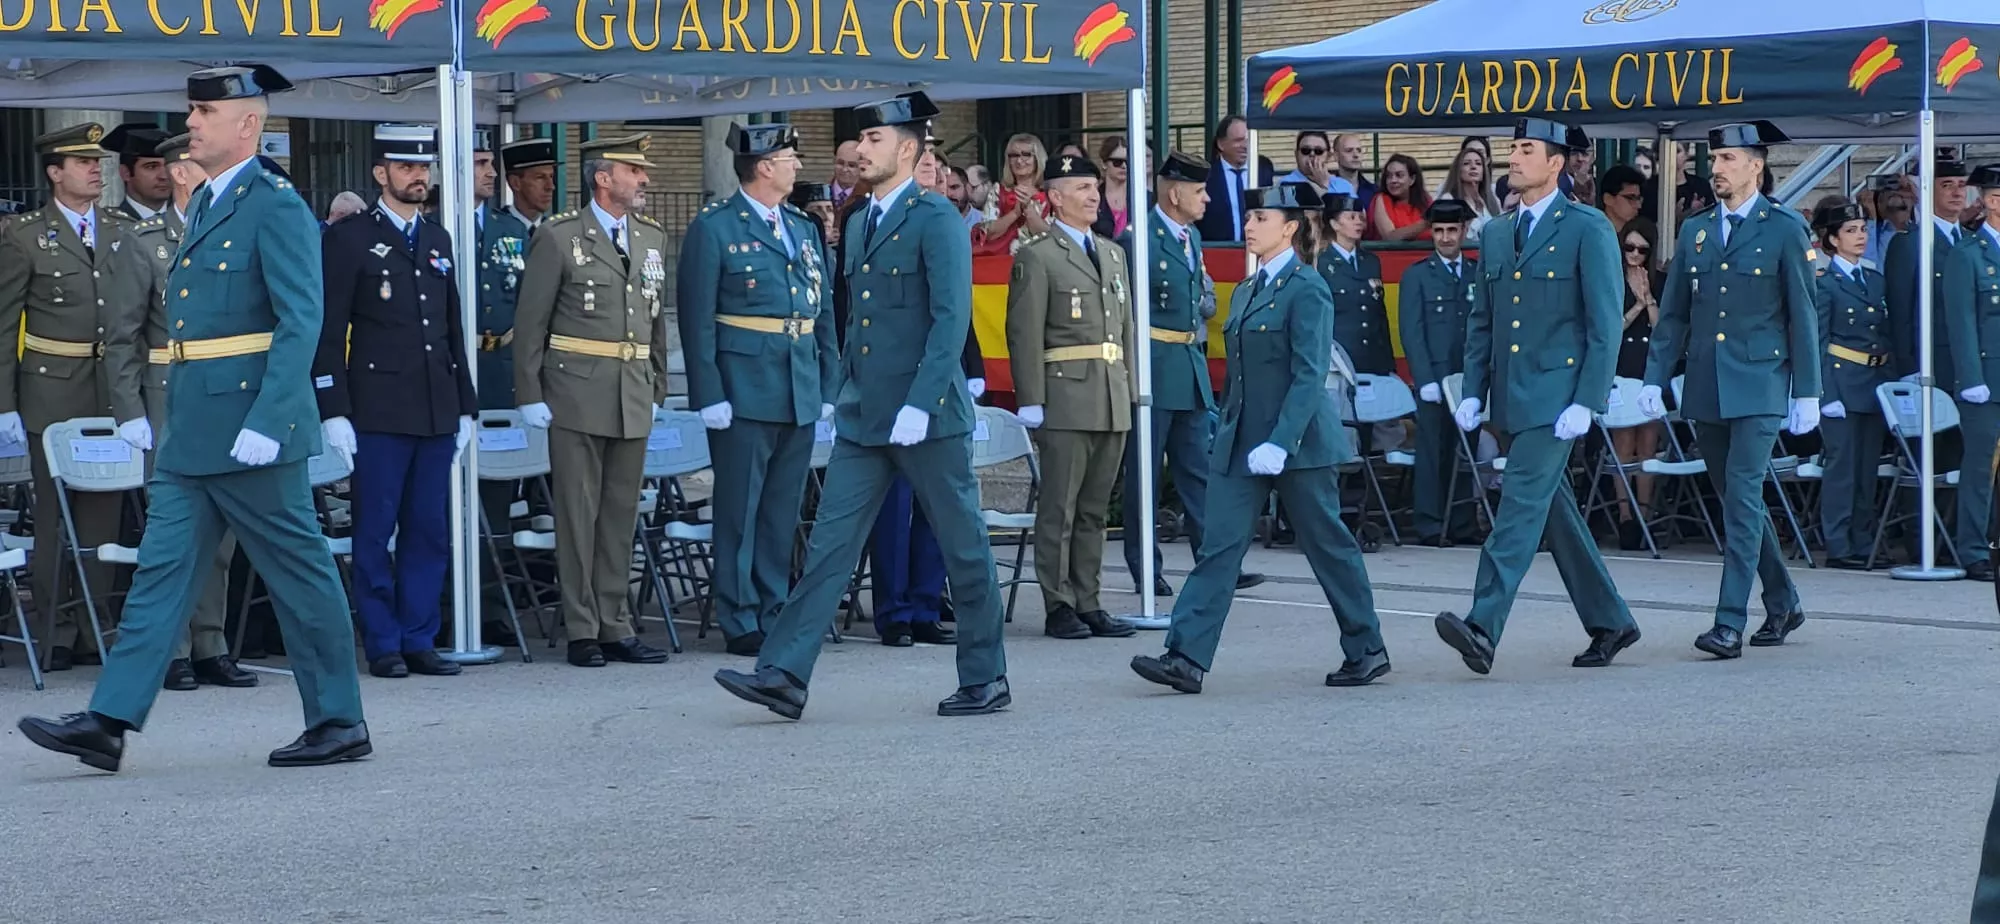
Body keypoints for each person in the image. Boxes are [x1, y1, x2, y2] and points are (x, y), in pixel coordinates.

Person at [17, 64, 370, 771]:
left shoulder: (273, 203)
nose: (193, 124)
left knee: (300, 574)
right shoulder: (208, 202)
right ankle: (109, 719)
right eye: (193, 110)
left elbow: (303, 318)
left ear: (248, 125)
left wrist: (270, 417)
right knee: (160, 573)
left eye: (205, 112)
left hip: (251, 428)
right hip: (194, 424)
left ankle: (338, 718)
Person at [713, 90, 1010, 719]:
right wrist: (841, 391)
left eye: (874, 141)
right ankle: (785, 673)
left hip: (924, 417)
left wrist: (922, 402)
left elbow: (950, 319)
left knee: (963, 546)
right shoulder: (860, 219)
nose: (860, 149)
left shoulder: (933, 218)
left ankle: (986, 675)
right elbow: (857, 320)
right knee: (829, 547)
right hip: (865, 414)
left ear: (907, 148)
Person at [1128, 182, 1389, 694]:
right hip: (1244, 442)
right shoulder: (1248, 290)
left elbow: (1309, 374)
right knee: (1219, 548)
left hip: (1299, 444)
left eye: (1261, 218)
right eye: (1249, 218)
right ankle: (1185, 656)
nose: (1249, 226)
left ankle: (1367, 647)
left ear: (1290, 227)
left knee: (1329, 547)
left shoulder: (1307, 287)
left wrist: (1282, 440)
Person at [1436, 117, 1642, 675]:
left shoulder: (1587, 226)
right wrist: (1475, 390)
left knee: (1519, 508)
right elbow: (1485, 320)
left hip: (1558, 397)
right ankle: (1611, 620)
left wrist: (1588, 398)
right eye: (1514, 147)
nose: (1515, 156)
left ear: (1555, 164)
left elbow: (1605, 323)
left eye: (1527, 149)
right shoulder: (1499, 232)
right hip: (1511, 395)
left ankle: (1483, 625)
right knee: (1554, 512)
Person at [1639, 120, 1816, 658]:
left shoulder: (1784, 228)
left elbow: (1803, 314)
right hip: (1707, 383)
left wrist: (1807, 390)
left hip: (1761, 382)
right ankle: (1783, 599)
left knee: (1742, 497)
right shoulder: (1695, 230)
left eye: (1728, 160)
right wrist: (1654, 377)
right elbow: (1673, 315)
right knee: (1737, 500)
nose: (1716, 169)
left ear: (1756, 167)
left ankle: (1729, 622)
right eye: (1714, 160)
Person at [313, 124, 477, 679]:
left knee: (428, 529)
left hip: (434, 406)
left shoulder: (437, 239)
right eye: (406, 169)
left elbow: (451, 326)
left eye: (423, 169)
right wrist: (332, 407)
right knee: (375, 530)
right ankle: (382, 639)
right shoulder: (349, 237)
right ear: (381, 174)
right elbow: (328, 329)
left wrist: (466, 404)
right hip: (378, 409)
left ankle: (418, 634)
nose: (418, 178)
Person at [676, 123, 837, 657]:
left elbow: (823, 312)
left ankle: (773, 607)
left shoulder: (802, 226)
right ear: (764, 165)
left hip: (798, 383)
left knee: (781, 510)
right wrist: (709, 391)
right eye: (790, 156)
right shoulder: (716, 228)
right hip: (743, 385)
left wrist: (828, 383)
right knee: (740, 508)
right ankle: (739, 613)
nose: (797, 164)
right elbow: (697, 318)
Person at [513, 134, 673, 668]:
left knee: (620, 514)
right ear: (604, 178)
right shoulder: (560, 238)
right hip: (575, 390)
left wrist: (657, 385)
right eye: (633, 170)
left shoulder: (651, 239)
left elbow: (655, 323)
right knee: (578, 515)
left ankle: (615, 622)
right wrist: (529, 393)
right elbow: (530, 323)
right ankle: (582, 626)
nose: (643, 180)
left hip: (630, 391)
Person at [0, 122, 145, 671]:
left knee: (103, 516)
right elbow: (3, 321)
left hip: (110, 390)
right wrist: (5, 401)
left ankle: (95, 624)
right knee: (55, 519)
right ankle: (54, 629)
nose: (95, 169)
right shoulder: (23, 235)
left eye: (97, 162)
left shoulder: (119, 227)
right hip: (51, 390)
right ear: (53, 172)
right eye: (81, 162)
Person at [120, 132, 257, 691]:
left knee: (219, 534)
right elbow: (123, 332)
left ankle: (210, 643)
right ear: (182, 173)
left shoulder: (228, 229)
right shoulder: (146, 242)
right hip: (164, 397)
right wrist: (128, 408)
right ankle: (171, 650)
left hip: (218, 396)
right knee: (172, 535)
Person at [1117, 151, 1264, 602]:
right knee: (1144, 475)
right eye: (1199, 191)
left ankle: (1216, 561)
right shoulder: (1138, 238)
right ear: (1175, 192)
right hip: (1154, 365)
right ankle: (1145, 568)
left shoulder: (1190, 237)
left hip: (1188, 362)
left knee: (1201, 472)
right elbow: (1130, 310)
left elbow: (1199, 296)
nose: (1207, 199)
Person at [1007, 151, 1138, 641]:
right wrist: (1031, 398)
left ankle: (1089, 599)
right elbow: (1024, 331)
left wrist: (1130, 386)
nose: (1093, 196)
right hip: (1064, 394)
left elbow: (1123, 327)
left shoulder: (1111, 253)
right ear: (1055, 199)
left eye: (1095, 188)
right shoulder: (1037, 254)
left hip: (1110, 393)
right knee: (1059, 507)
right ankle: (1057, 602)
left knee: (1094, 509)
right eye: (1082, 188)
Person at [1813, 199, 1892, 570]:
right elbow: (1818, 342)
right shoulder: (1826, 285)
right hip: (1842, 382)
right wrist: (1826, 394)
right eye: (1850, 231)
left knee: (1866, 468)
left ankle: (1863, 540)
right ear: (1831, 239)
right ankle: (1839, 543)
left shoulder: (1874, 279)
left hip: (1873, 383)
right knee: (1842, 469)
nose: (1860, 237)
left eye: (1863, 230)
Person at [1397, 198, 1481, 547]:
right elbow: (1411, 331)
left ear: (1463, 231)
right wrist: (1425, 378)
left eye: (1452, 230)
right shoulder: (1417, 275)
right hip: (1435, 377)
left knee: (1466, 450)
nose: (1445, 238)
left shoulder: (1478, 272)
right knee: (1432, 451)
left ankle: (1461, 521)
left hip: (1468, 378)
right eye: (1439, 231)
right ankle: (1430, 523)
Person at [1944, 164, 2000, 582]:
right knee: (1982, 467)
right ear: (1992, 201)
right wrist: (1971, 378)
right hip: (1988, 378)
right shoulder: (1968, 253)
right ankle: (1975, 548)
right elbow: (1960, 320)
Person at [1611, 222, 1663, 551]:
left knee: (1647, 449)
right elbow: (1611, 326)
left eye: (1641, 249)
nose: (1634, 255)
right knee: (1623, 450)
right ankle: (1625, 517)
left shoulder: (1658, 279)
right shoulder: (1612, 279)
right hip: (1620, 367)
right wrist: (1637, 305)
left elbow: (1663, 329)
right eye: (1628, 248)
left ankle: (1645, 516)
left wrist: (1650, 299)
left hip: (1649, 369)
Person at [1315, 193, 1394, 374]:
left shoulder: (1371, 261)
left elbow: (1379, 316)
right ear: (1334, 224)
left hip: (1373, 359)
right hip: (1338, 360)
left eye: (1360, 217)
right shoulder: (1320, 263)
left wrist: (1388, 364)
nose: (1359, 222)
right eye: (1351, 217)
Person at [974, 132, 1049, 255]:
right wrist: (1015, 213)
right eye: (1013, 155)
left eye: (1026, 154)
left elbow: (1050, 236)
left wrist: (1028, 210)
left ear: (1037, 158)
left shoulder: (1050, 193)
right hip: (1002, 263)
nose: (1019, 161)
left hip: (1039, 263)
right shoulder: (998, 191)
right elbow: (987, 234)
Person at [102, 123, 172, 222]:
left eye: (168, 166)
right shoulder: (108, 224)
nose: (164, 176)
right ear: (125, 173)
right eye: (151, 167)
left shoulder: (188, 221)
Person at [1367, 153, 1431, 242]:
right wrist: (1426, 223)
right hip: (1393, 255)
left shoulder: (1425, 199)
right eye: (1389, 176)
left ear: (1412, 179)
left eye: (1399, 175)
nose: (1393, 180)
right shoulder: (1381, 199)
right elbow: (1389, 237)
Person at [1093, 135, 1131, 238]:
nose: (1124, 166)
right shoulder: (1092, 197)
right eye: (1117, 162)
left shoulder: (1142, 197)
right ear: (1104, 164)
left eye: (1128, 161)